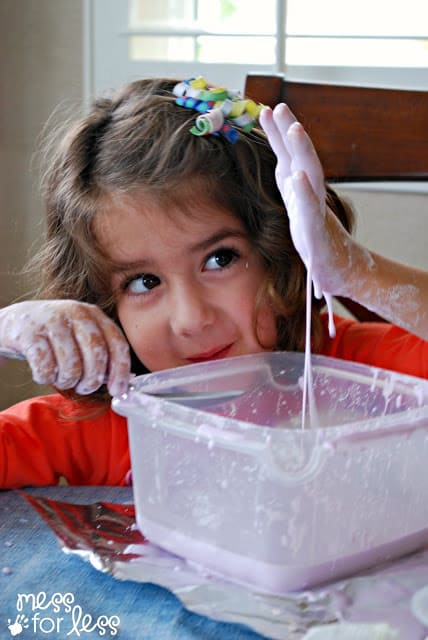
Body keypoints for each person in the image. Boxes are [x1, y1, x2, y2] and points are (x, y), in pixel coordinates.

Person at [0, 76, 427, 489]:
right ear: (103, 304)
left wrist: (357, 271)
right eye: (144, 282)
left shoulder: (355, 371)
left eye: (219, 259)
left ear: (278, 252)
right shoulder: (99, 424)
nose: (192, 318)